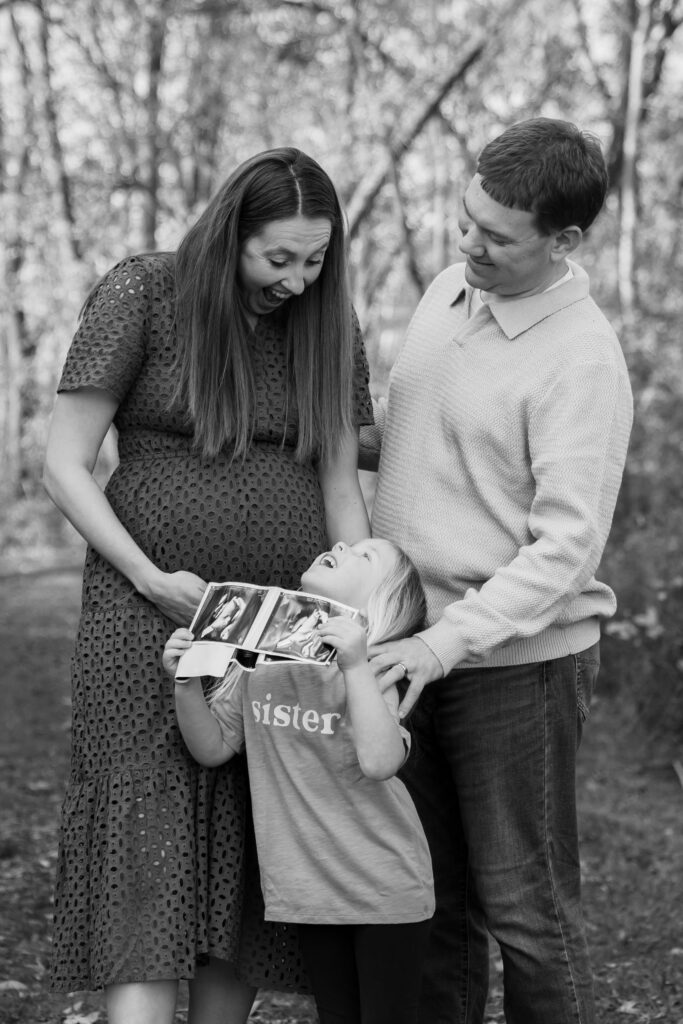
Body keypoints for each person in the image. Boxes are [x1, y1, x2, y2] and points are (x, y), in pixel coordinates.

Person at [43, 147, 373, 1024]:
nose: (298, 281)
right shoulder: (143, 293)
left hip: (280, 621)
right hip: (142, 606)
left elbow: (341, 489)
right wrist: (151, 578)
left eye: (315, 260)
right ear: (230, 235)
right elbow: (63, 463)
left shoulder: (329, 327)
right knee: (141, 833)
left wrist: (360, 625)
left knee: (250, 833)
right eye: (278, 258)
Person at [360, 118, 634, 1024]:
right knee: (431, 901)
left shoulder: (580, 361)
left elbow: (564, 548)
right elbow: (414, 441)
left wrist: (448, 644)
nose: (467, 244)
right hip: (411, 649)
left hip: (514, 669)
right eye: (467, 218)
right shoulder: (449, 290)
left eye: (495, 237)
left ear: (562, 242)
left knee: (525, 913)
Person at [162, 538, 435, 1024]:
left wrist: (352, 665)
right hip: (309, 890)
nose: (341, 544)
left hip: (384, 887)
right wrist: (186, 680)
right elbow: (212, 748)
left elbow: (379, 761)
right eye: (348, 545)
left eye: (364, 557)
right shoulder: (260, 665)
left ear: (377, 609)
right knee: (336, 1015)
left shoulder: (373, 672)